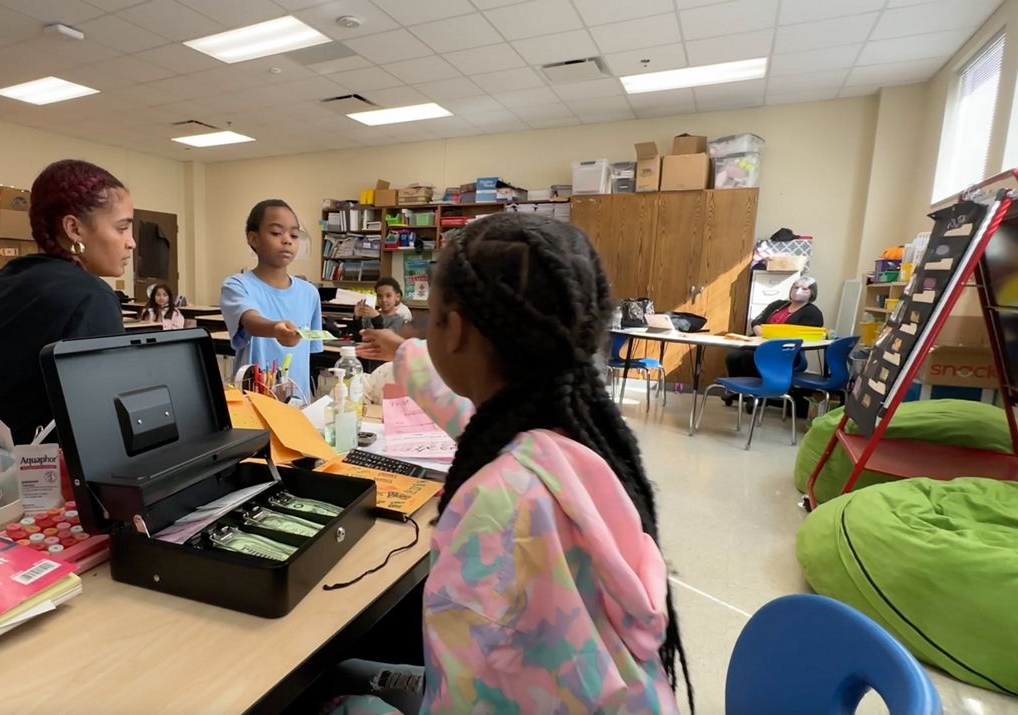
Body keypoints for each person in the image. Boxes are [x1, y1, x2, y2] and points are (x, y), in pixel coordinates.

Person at [335, 213, 690, 714]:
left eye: (428, 317)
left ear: (453, 330)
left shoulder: (497, 508)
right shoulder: (574, 438)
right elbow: (479, 422)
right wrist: (404, 353)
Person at [0, 160, 134, 445]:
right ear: (74, 229)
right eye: (121, 229)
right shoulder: (91, 296)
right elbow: (103, 417)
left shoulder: (4, 280)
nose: (131, 242)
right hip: (38, 474)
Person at [220, 199, 321, 397]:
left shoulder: (309, 293)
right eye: (276, 233)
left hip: (297, 404)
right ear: (253, 239)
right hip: (254, 401)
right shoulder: (237, 285)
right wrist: (275, 329)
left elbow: (307, 357)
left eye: (294, 234)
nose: (287, 240)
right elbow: (250, 320)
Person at [724, 276, 824, 401]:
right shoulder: (778, 305)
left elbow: (805, 336)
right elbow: (757, 320)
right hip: (759, 345)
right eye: (796, 287)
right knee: (733, 356)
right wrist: (759, 331)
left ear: (812, 293)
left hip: (786, 353)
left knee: (749, 358)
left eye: (804, 289)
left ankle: (758, 394)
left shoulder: (813, 313)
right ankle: (741, 392)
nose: (798, 291)